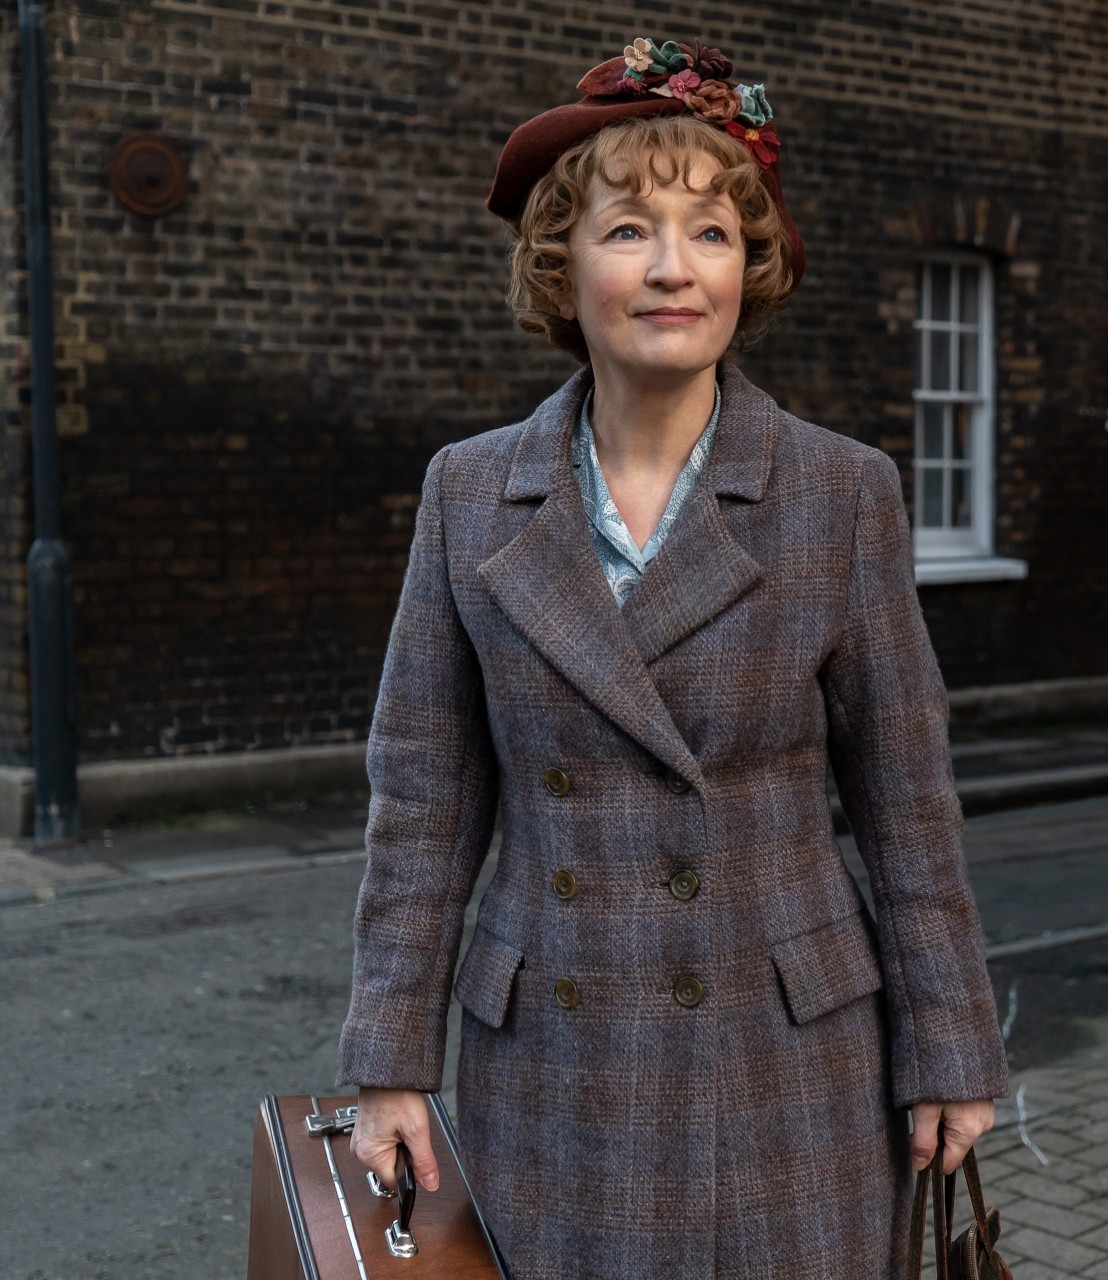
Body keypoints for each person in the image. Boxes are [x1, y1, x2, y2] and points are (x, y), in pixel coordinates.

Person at [332, 34, 1008, 1279]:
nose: (673, 267)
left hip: (787, 1060)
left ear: (751, 267)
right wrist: (389, 1059)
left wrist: (952, 1049)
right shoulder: (471, 493)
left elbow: (907, 800)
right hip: (552, 1062)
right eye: (628, 228)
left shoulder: (839, 493)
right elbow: (423, 799)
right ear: (561, 264)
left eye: (711, 232)